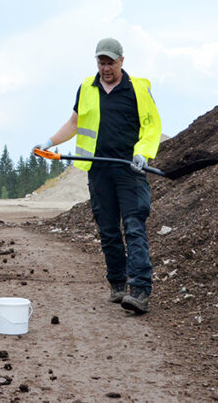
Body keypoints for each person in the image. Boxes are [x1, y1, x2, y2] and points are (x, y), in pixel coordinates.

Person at [35, 37, 161, 313]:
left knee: (134, 226)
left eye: (110, 63)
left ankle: (139, 290)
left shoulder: (139, 88)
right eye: (101, 63)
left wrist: (143, 153)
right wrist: (50, 142)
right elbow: (75, 123)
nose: (105, 68)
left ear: (122, 61)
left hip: (130, 170)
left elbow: (152, 126)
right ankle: (118, 284)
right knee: (108, 231)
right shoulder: (86, 88)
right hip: (98, 170)